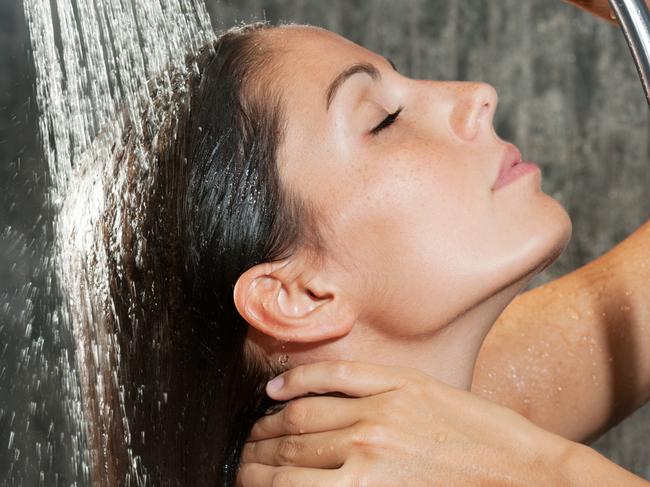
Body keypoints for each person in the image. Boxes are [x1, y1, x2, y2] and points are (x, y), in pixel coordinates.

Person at [63, 3, 648, 487]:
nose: (479, 94)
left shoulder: (424, 429)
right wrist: (549, 475)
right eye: (385, 119)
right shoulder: (472, 453)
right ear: (300, 294)